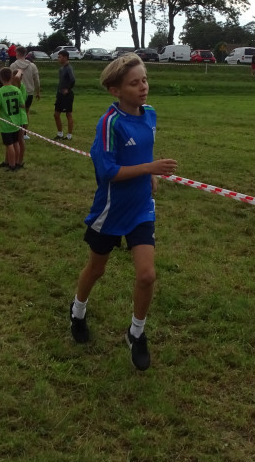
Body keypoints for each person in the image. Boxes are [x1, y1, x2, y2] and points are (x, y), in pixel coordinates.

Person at [68, 53, 178, 371]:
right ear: (116, 90)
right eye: (134, 83)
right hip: (110, 211)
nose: (143, 87)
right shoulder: (110, 123)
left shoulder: (151, 114)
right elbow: (107, 171)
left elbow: (143, 152)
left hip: (142, 207)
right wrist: (150, 167)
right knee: (96, 269)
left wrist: (151, 176)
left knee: (147, 275)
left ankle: (136, 333)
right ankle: (77, 311)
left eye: (144, 79)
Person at [0, 67, 27, 170]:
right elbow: (22, 105)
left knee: (9, 144)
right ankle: (16, 163)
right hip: (17, 121)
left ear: (0, 78)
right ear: (11, 77)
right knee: (16, 142)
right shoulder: (17, 90)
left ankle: (12, 165)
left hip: (6, 124)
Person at [10, 47, 42, 127]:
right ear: (25, 54)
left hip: (16, 92)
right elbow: (37, 81)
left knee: (17, 112)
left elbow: (10, 80)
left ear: (17, 53)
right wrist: (38, 92)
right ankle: (24, 132)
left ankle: (17, 130)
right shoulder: (32, 66)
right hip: (29, 92)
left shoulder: (13, 65)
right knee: (26, 111)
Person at [54, 49, 76, 140]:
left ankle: (69, 135)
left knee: (68, 114)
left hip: (67, 96)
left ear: (65, 57)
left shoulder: (68, 68)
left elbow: (73, 80)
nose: (58, 59)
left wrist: (68, 89)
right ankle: (60, 134)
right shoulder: (61, 69)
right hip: (60, 95)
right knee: (56, 114)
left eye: (60, 57)